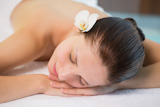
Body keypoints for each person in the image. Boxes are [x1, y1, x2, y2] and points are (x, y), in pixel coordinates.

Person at [0, 0, 160, 103]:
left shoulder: (117, 43)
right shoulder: (34, 37)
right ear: (78, 28)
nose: (62, 75)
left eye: (82, 81)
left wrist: (119, 84)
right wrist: (41, 83)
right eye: (72, 58)